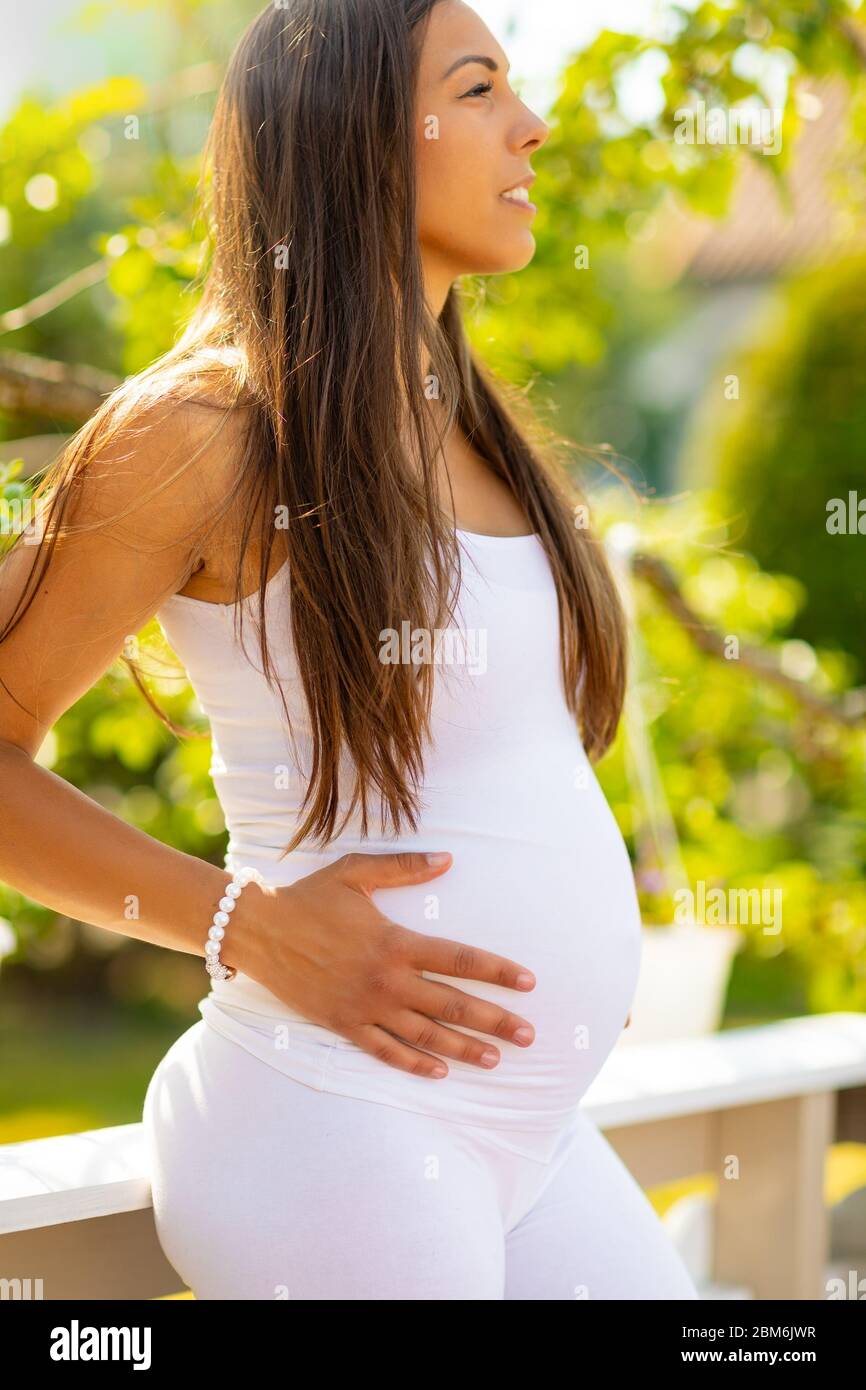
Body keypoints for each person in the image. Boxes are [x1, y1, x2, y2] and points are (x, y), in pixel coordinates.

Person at [0, 0, 699, 1300]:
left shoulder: (480, 432)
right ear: (362, 132)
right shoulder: (210, 429)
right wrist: (241, 925)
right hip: (330, 1119)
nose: (533, 129)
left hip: (526, 1139)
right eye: (481, 89)